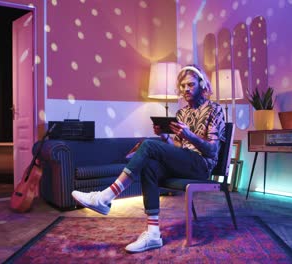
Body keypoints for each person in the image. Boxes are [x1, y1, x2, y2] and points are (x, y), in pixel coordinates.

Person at [71, 64, 226, 253]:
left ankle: (106, 196)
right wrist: (165, 137)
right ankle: (153, 234)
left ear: (202, 85)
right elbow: (178, 149)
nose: (186, 89)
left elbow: (212, 150)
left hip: (201, 166)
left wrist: (189, 136)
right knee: (150, 165)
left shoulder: (215, 110)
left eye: (191, 85)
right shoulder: (182, 113)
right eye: (183, 85)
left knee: (149, 145)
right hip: (186, 161)